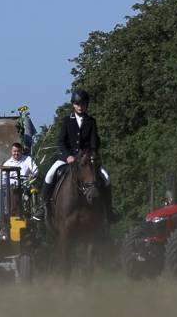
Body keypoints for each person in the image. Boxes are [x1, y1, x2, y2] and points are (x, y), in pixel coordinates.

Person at [37, 89, 118, 223]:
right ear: (73, 105)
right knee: (50, 174)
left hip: (86, 159)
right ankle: (42, 207)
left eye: (83, 104)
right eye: (77, 104)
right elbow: (61, 142)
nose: (80, 106)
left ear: (86, 105)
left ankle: (109, 211)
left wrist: (91, 154)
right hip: (68, 158)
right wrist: (68, 155)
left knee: (106, 177)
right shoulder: (67, 121)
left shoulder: (91, 121)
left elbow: (94, 142)